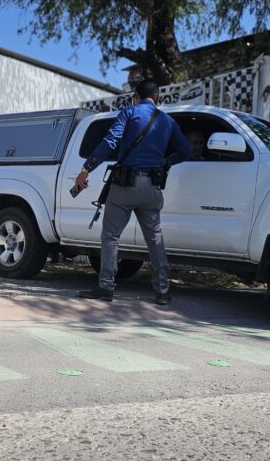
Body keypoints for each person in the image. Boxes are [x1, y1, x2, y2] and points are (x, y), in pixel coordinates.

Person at [74, 80, 192, 306]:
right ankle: (163, 290)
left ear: (136, 96)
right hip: (152, 188)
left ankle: (106, 286)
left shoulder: (129, 113)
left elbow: (110, 142)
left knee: (110, 236)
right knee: (155, 238)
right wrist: (166, 162)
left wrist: (86, 168)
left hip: (124, 186)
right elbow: (185, 150)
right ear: (157, 99)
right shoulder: (167, 121)